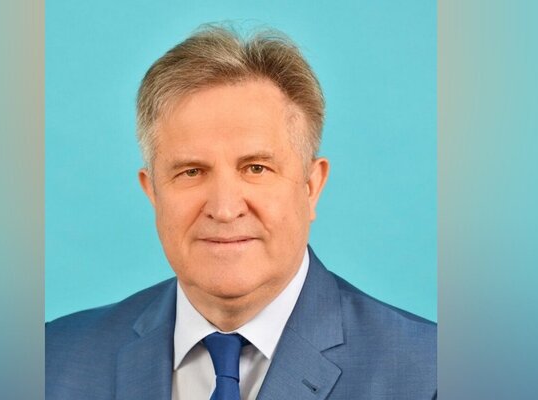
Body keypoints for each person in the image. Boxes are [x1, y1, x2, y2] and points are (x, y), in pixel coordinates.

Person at [46, 24, 436, 400]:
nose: (224, 209)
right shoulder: (51, 361)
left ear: (311, 186)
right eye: (191, 172)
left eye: (256, 168)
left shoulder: (431, 374)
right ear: (153, 192)